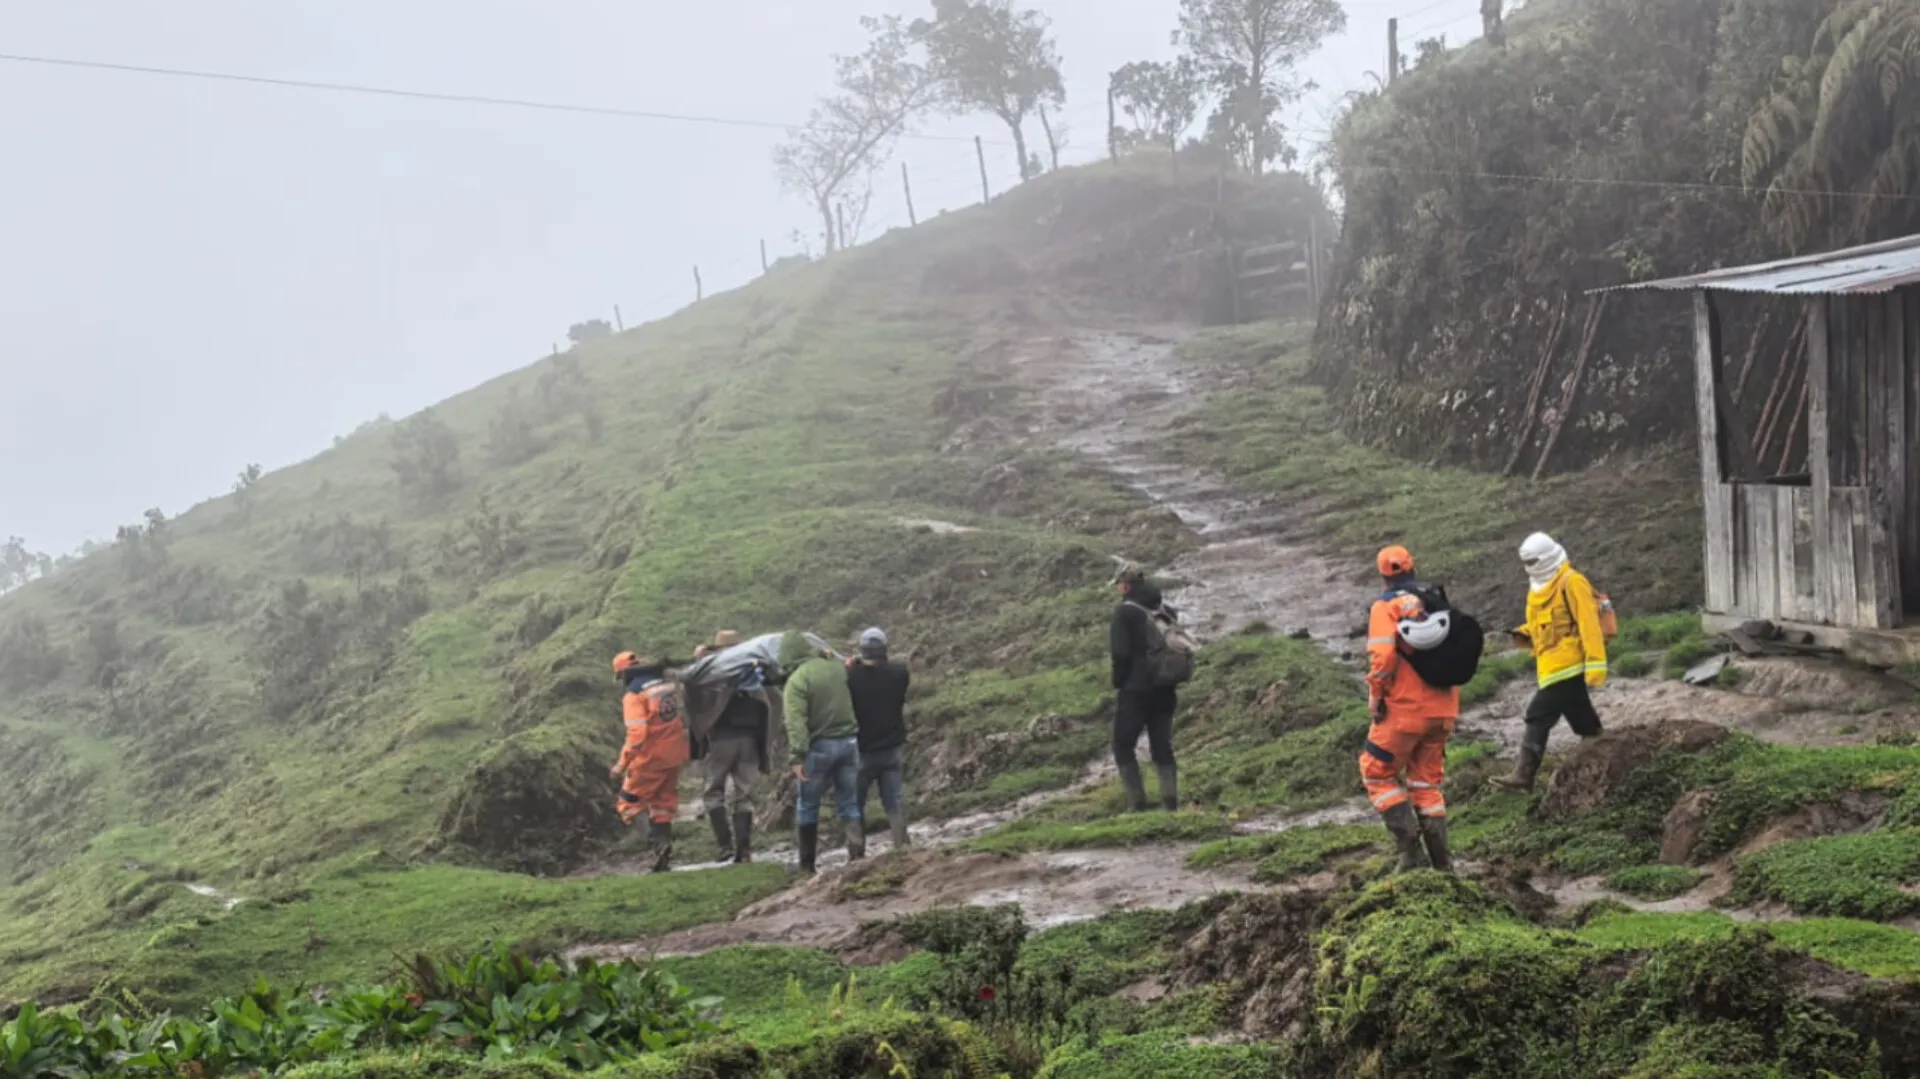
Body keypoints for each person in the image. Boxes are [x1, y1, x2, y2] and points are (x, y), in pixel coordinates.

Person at [1361, 546, 1458, 872]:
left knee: (1376, 771)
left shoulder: (1384, 606)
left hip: (1405, 710)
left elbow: (1384, 658)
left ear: (1383, 574)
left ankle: (1409, 855)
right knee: (1426, 785)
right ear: (1411, 567)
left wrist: (1376, 695)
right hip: (1444, 708)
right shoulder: (1436, 598)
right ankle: (1444, 866)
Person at [1492, 533, 1609, 793]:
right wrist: (1524, 632)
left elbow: (1588, 624)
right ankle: (1604, 751)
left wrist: (1595, 664)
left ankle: (1524, 775)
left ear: (1547, 557)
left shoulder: (1571, 582)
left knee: (1538, 714)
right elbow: (1544, 624)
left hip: (1569, 665)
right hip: (1549, 666)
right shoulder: (1538, 587)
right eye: (1527, 561)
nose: (1530, 566)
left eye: (1534, 560)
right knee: (1583, 720)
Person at [779, 630, 862, 873]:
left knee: (808, 805)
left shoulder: (797, 680)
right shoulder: (835, 668)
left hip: (819, 748)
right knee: (849, 801)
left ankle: (807, 865)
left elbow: (796, 724)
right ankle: (857, 856)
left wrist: (797, 756)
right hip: (849, 742)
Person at [689, 629, 769, 864]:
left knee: (714, 792)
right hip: (750, 739)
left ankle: (724, 846)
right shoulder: (750, 670)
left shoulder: (714, 672)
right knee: (743, 794)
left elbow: (694, 684)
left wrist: (700, 658)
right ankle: (744, 851)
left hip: (722, 738)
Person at [608, 652, 690, 873]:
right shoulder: (665, 685)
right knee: (662, 804)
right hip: (675, 754)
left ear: (623, 673)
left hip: (649, 759)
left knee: (628, 805)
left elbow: (637, 733)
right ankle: (664, 850)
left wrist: (621, 764)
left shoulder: (634, 695)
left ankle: (656, 846)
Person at [1109, 564, 1179, 812]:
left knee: (1122, 744)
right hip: (1165, 686)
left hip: (1135, 689)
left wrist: (1119, 682)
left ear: (1125, 586)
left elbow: (1120, 653)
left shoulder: (1124, 613)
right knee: (1162, 745)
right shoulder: (1163, 609)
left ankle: (1137, 803)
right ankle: (1170, 802)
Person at [847, 627, 911, 851]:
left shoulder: (851, 677)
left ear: (862, 650)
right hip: (891, 748)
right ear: (884, 649)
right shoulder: (900, 673)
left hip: (862, 750)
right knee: (894, 801)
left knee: (855, 803)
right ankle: (902, 847)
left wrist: (853, 665)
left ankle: (856, 852)